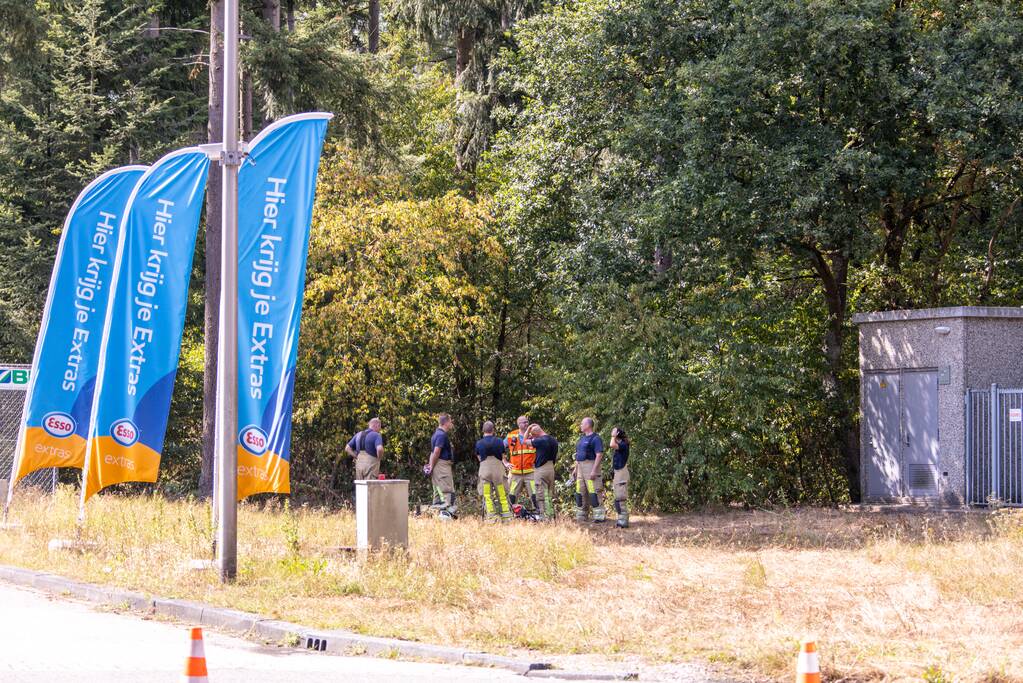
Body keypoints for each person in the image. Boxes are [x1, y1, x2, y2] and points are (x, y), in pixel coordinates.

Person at [476, 421, 512, 521]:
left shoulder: (479, 443)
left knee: (487, 494)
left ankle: (491, 517)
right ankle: (506, 516)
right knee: (502, 493)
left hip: (485, 470)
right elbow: (503, 456)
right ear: (493, 430)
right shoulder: (500, 441)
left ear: (483, 430)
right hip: (498, 470)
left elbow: (479, 457)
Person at [424, 413, 457, 518]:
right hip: (442, 466)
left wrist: (430, 466)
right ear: (446, 422)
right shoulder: (441, 435)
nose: (451, 423)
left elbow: (432, 453)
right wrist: (432, 466)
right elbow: (437, 451)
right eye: (450, 421)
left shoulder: (436, 434)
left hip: (438, 465)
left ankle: (437, 513)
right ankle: (446, 514)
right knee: (447, 489)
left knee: (438, 491)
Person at [574, 417, 606, 522]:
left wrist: (594, 470)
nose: (580, 425)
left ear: (588, 425)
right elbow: (578, 456)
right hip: (580, 468)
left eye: (582, 424)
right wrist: (575, 469)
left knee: (594, 492)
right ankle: (582, 515)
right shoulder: (581, 439)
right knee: (580, 491)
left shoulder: (596, 438)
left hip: (590, 466)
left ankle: (599, 516)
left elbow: (599, 455)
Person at [524, 424, 558, 520]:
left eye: (533, 436)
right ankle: (551, 514)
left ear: (536, 434)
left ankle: (544, 515)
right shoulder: (553, 440)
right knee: (549, 492)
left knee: (541, 492)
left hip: (541, 469)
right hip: (551, 467)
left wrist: (528, 429)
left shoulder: (540, 440)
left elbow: (524, 441)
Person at [504, 415, 538, 511]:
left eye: (527, 421)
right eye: (524, 422)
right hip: (515, 473)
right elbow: (500, 448)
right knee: (512, 496)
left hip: (531, 472)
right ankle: (512, 515)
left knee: (536, 496)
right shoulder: (511, 435)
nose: (526, 424)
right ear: (518, 424)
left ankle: (539, 515)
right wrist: (505, 462)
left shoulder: (534, 435)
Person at [345, 417, 384, 482]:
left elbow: (347, 448)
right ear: (377, 425)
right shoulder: (376, 435)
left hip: (359, 465)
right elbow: (380, 449)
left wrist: (355, 456)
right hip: (371, 465)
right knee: (370, 488)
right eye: (380, 427)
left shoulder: (358, 434)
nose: (380, 429)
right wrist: (379, 458)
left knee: (360, 487)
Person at [609, 427, 630, 528]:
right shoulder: (621, 444)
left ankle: (624, 521)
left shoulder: (623, 444)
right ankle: (621, 520)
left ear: (617, 434)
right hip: (618, 472)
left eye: (613, 431)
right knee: (618, 497)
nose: (611, 433)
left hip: (622, 473)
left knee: (620, 497)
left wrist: (613, 436)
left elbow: (612, 444)